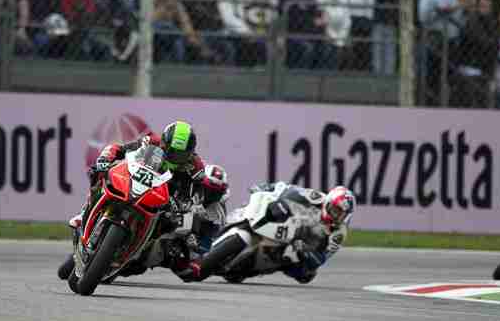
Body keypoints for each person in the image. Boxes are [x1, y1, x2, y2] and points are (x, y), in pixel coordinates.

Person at [61, 120, 229, 278]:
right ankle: (86, 211)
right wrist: (106, 159)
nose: (173, 156)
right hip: (138, 181)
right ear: (164, 142)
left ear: (190, 152)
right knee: (100, 175)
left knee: (169, 225)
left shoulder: (196, 167)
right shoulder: (151, 141)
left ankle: (139, 248)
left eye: (180, 154)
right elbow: (122, 149)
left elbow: (195, 194)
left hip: (165, 198)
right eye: (171, 150)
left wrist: (183, 204)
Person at [172, 182, 356, 285]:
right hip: (287, 226)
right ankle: (215, 241)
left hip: (301, 249)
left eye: (340, 214)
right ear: (328, 202)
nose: (335, 215)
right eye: (335, 209)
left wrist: (307, 252)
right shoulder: (316, 198)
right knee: (255, 212)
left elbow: (321, 258)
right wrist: (269, 188)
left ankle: (254, 268)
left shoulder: (338, 234)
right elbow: (289, 190)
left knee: (303, 273)